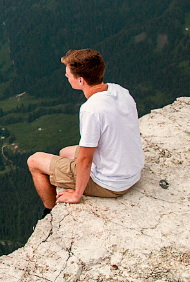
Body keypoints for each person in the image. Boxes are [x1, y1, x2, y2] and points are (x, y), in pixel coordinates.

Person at [27, 49, 144, 215]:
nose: (66, 77)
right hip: (132, 172)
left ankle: (49, 214)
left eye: (68, 74)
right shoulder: (120, 91)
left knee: (34, 161)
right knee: (64, 152)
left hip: (111, 184)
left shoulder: (91, 110)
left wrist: (76, 195)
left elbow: (85, 160)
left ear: (80, 80)